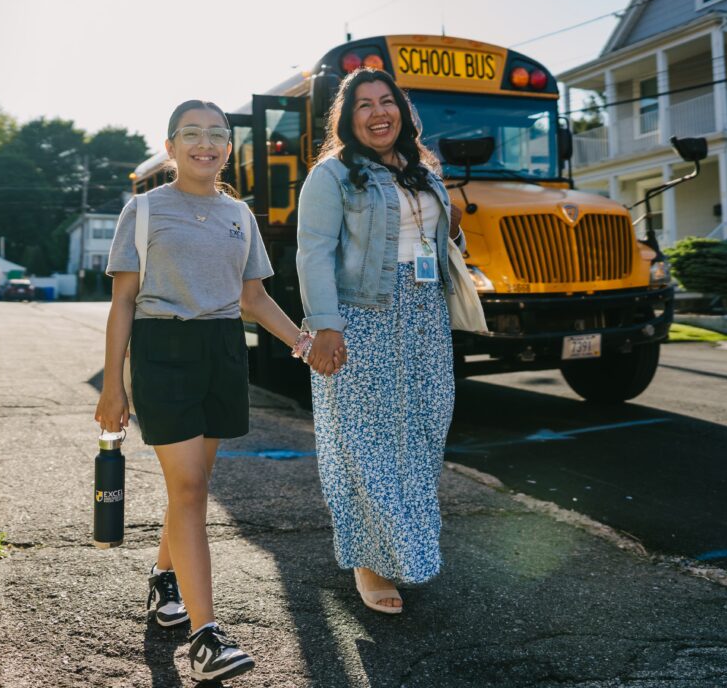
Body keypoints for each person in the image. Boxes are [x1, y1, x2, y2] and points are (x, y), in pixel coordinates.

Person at [94, 99, 305, 683]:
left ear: (229, 150)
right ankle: (205, 636)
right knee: (187, 488)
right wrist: (114, 386)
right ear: (171, 147)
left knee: (195, 486)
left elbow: (253, 298)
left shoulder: (240, 213)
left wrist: (305, 345)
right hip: (163, 353)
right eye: (191, 133)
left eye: (217, 135)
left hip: (222, 353)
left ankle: (165, 580)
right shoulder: (143, 209)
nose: (204, 143)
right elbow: (123, 303)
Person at [296, 68, 463, 614]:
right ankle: (368, 562)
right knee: (363, 445)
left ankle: (407, 550)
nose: (377, 113)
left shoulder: (422, 171)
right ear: (348, 118)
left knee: (419, 436)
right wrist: (325, 326)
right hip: (360, 317)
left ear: (402, 111)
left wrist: (449, 225)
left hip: (424, 317)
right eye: (363, 104)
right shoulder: (332, 175)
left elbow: (435, 242)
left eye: (386, 101)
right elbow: (314, 252)